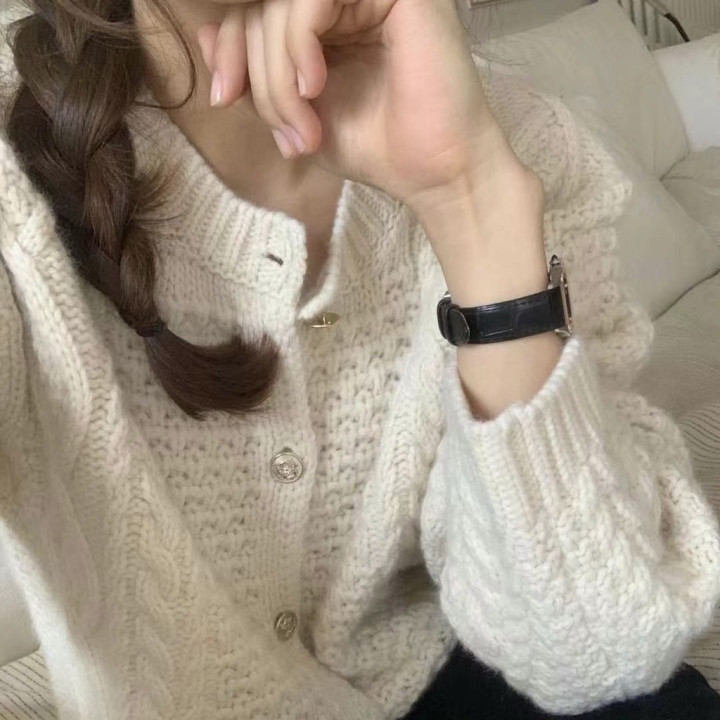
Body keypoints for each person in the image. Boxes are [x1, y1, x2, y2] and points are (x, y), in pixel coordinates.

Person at [0, 0, 719, 718]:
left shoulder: (506, 136)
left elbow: (602, 647)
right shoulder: (17, 169)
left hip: (464, 656)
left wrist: (469, 200)